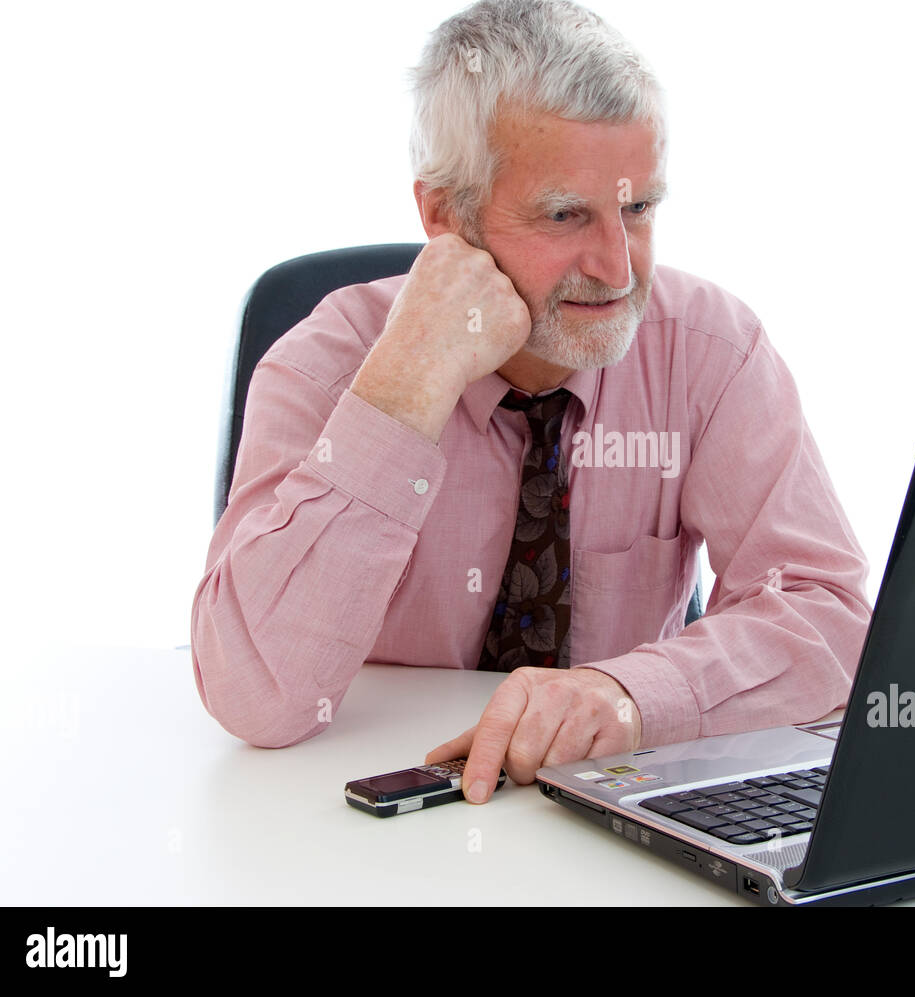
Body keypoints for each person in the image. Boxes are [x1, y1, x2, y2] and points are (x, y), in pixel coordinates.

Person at [191, 0, 872, 805]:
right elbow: (254, 694)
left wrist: (632, 695)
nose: (619, 270)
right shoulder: (325, 364)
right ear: (445, 216)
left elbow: (830, 617)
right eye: (564, 214)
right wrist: (404, 388)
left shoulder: (711, 352)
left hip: (607, 813)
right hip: (356, 815)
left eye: (639, 208)